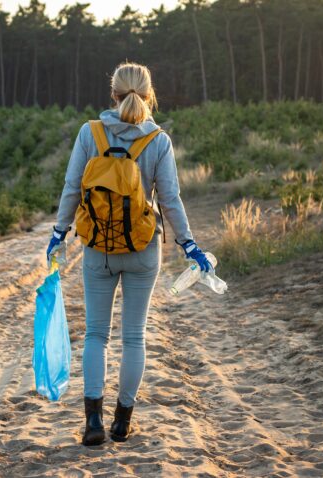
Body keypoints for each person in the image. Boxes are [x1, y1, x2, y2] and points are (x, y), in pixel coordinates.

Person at [45, 62, 211, 447]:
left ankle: (92, 423)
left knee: (96, 335)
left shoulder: (91, 133)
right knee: (134, 336)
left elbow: (72, 188)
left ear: (113, 94)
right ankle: (122, 422)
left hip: (98, 248)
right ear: (149, 95)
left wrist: (58, 234)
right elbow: (169, 200)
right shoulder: (159, 140)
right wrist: (189, 244)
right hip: (142, 249)